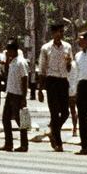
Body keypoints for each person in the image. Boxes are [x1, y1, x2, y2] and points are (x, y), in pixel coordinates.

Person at [37, 22, 72, 151]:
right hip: (51, 81)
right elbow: (42, 69)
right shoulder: (46, 48)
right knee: (54, 113)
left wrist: (68, 62)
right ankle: (59, 142)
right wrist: (40, 89)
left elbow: (69, 68)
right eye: (59, 31)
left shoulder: (67, 47)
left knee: (65, 112)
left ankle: (53, 130)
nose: (61, 34)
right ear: (53, 33)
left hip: (63, 81)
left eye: (62, 32)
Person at [0, 39, 30, 152]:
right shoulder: (12, 61)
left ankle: (24, 144)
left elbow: (25, 79)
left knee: (20, 120)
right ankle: (8, 143)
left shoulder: (21, 62)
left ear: (14, 50)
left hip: (18, 94)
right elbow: (7, 73)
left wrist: (24, 97)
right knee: (5, 118)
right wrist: (7, 60)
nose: (7, 52)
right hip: (10, 93)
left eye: (9, 50)